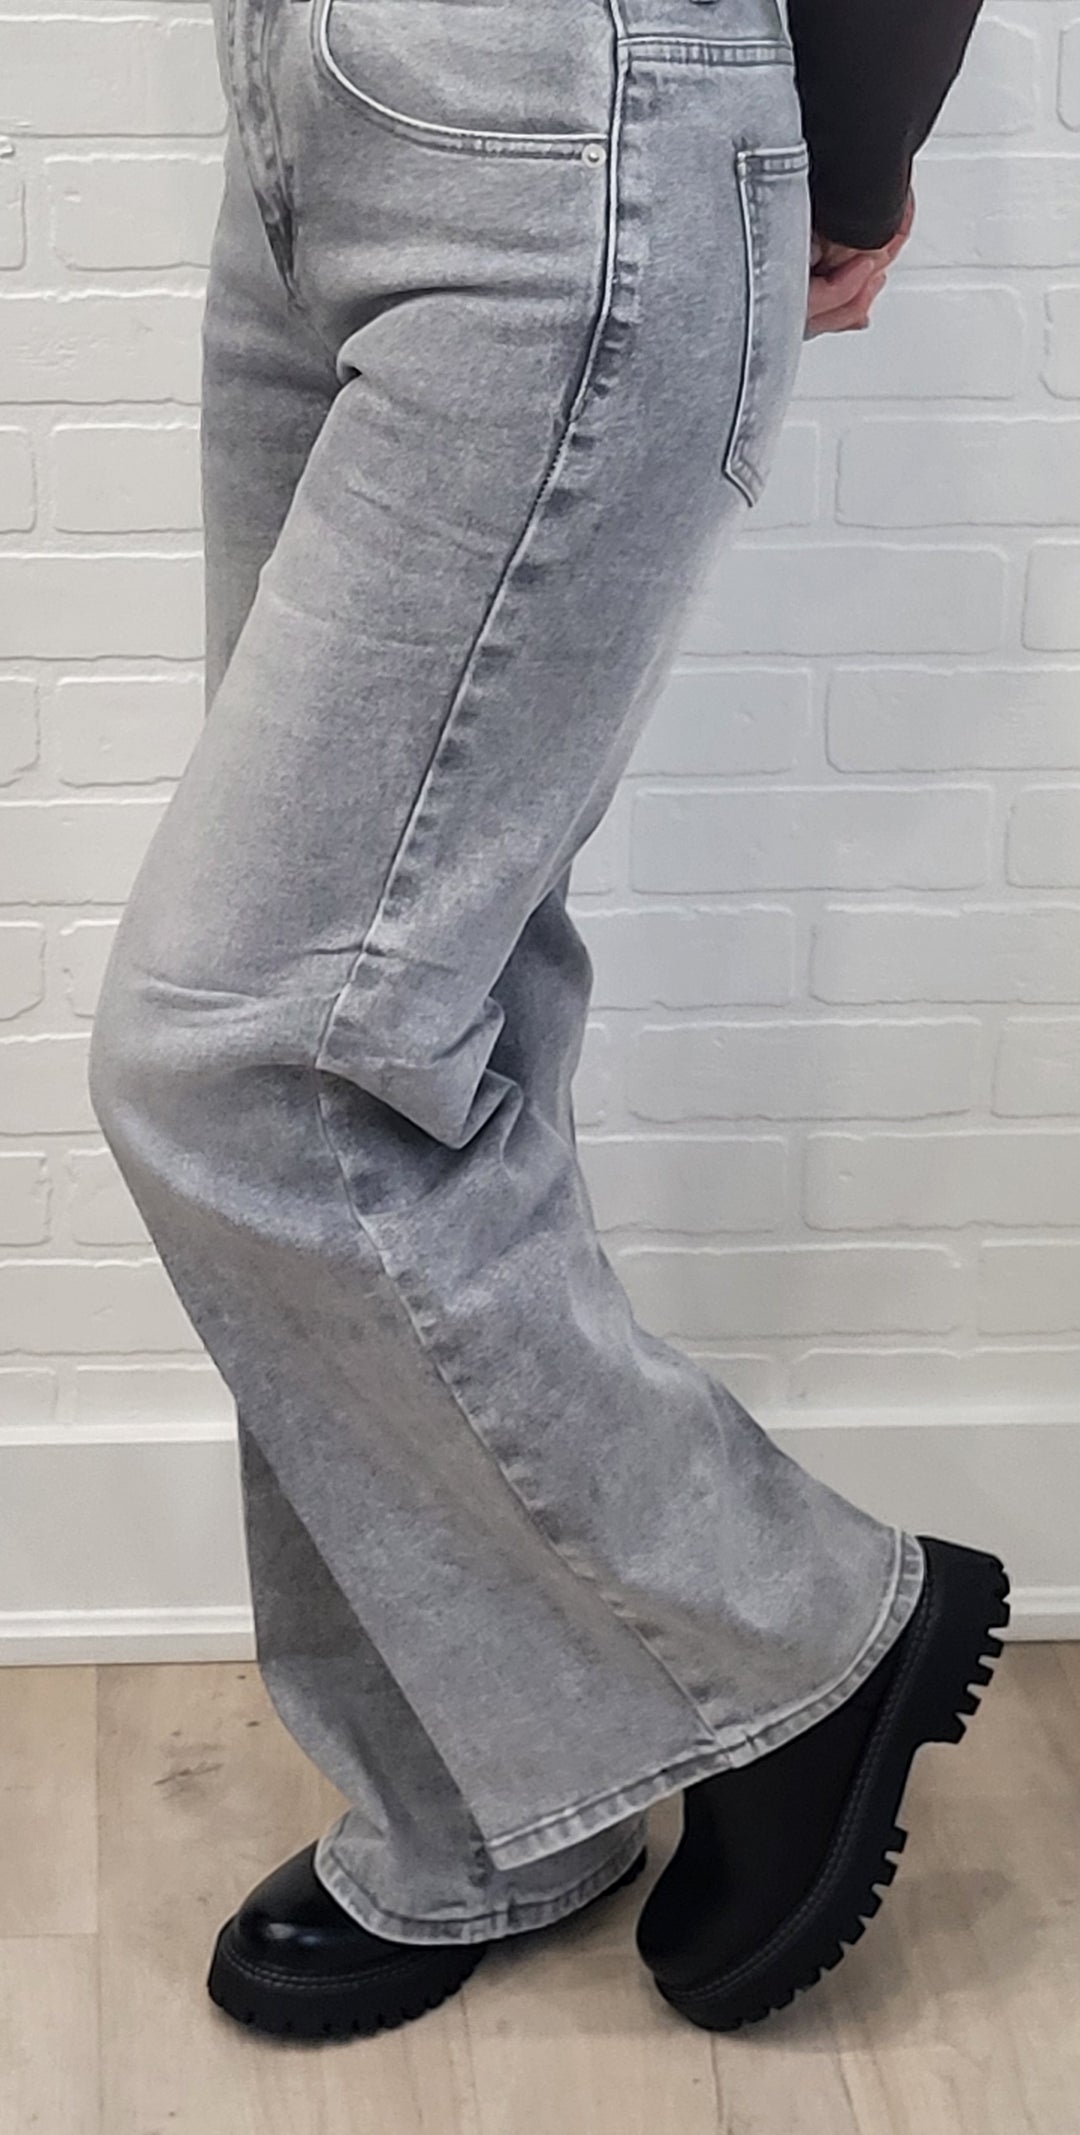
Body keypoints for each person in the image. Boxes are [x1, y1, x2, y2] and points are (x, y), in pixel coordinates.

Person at [87, 0, 1009, 2045]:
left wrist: (858, 132)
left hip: (564, 100)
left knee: (253, 1058)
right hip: (307, 100)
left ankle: (797, 1633)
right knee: (416, 1012)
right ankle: (482, 1817)